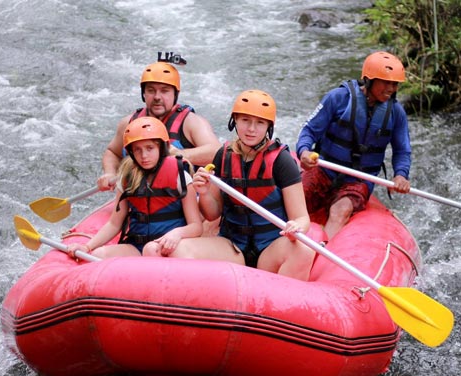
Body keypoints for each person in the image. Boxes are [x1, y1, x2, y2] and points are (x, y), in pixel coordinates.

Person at [172, 90, 315, 281]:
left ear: (268, 127)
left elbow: (301, 217)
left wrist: (295, 227)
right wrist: (204, 193)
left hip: (270, 249)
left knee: (304, 250)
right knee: (179, 250)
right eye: (245, 120)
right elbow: (212, 214)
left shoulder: (282, 161)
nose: (251, 129)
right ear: (235, 121)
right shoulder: (223, 156)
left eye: (260, 123)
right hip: (232, 247)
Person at [297, 51, 412, 239]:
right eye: (386, 82)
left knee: (340, 210)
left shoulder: (396, 113)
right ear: (369, 80)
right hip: (325, 169)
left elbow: (402, 150)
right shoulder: (338, 98)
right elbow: (309, 131)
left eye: (395, 83)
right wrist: (304, 150)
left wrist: (400, 175)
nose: (391, 88)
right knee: (294, 199)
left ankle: (319, 255)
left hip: (358, 179)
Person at [67, 116, 203, 259]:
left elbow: (196, 226)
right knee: (98, 254)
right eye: (137, 150)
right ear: (131, 152)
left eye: (150, 148)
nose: (144, 155)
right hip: (137, 246)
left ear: (161, 148)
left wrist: (177, 234)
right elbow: (114, 223)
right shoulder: (127, 178)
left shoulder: (180, 176)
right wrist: (87, 246)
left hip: (167, 247)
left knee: (151, 250)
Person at [97, 61, 221, 191]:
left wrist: (181, 154)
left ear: (175, 94)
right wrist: (110, 172)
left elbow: (217, 151)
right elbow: (112, 152)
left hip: (182, 199)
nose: (157, 97)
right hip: (138, 199)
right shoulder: (129, 123)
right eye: (151, 90)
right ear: (143, 94)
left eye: (164, 91)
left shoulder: (191, 123)